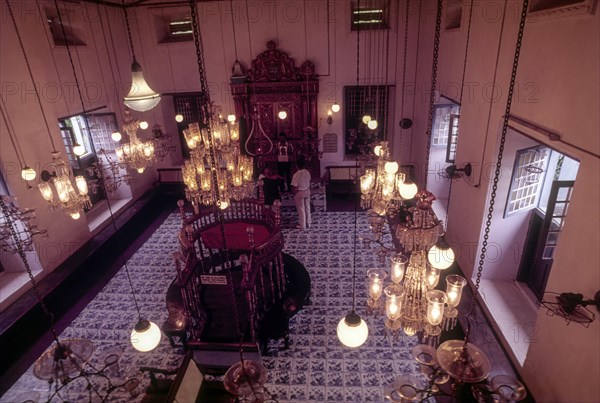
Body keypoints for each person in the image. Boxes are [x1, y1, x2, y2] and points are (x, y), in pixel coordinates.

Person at [291, 155, 311, 229]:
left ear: (296, 165)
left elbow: (295, 187)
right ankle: (308, 223)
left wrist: (294, 193)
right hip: (307, 191)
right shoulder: (307, 172)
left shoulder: (296, 174)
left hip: (300, 192)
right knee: (307, 207)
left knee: (301, 209)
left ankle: (302, 225)